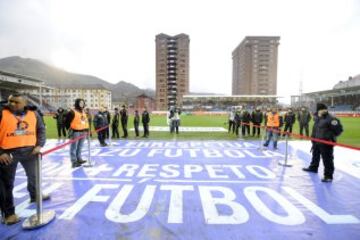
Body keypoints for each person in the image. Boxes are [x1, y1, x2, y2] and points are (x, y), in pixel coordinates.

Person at [0, 94, 49, 225]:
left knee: (34, 176)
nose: (12, 104)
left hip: (30, 151)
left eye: (16, 102)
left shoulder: (34, 114)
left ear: (25, 103)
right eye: (10, 101)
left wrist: (39, 145)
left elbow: (41, 130)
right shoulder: (2, 112)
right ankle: (8, 214)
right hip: (8, 153)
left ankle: (35, 196)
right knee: (6, 184)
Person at [303, 103, 343, 182]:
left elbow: (338, 130)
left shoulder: (332, 119)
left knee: (327, 159)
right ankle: (313, 167)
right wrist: (313, 138)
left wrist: (328, 137)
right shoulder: (318, 118)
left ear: (323, 110)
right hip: (316, 141)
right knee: (315, 156)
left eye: (318, 110)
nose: (317, 112)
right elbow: (315, 129)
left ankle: (328, 176)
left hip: (326, 143)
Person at [65, 98, 89, 168]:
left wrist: (87, 130)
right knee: (73, 147)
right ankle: (74, 161)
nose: (82, 104)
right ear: (77, 103)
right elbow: (66, 122)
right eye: (80, 103)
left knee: (80, 147)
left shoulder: (83, 111)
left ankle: (79, 158)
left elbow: (85, 121)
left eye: (83, 103)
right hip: (75, 132)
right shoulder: (72, 112)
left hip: (83, 131)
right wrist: (69, 129)